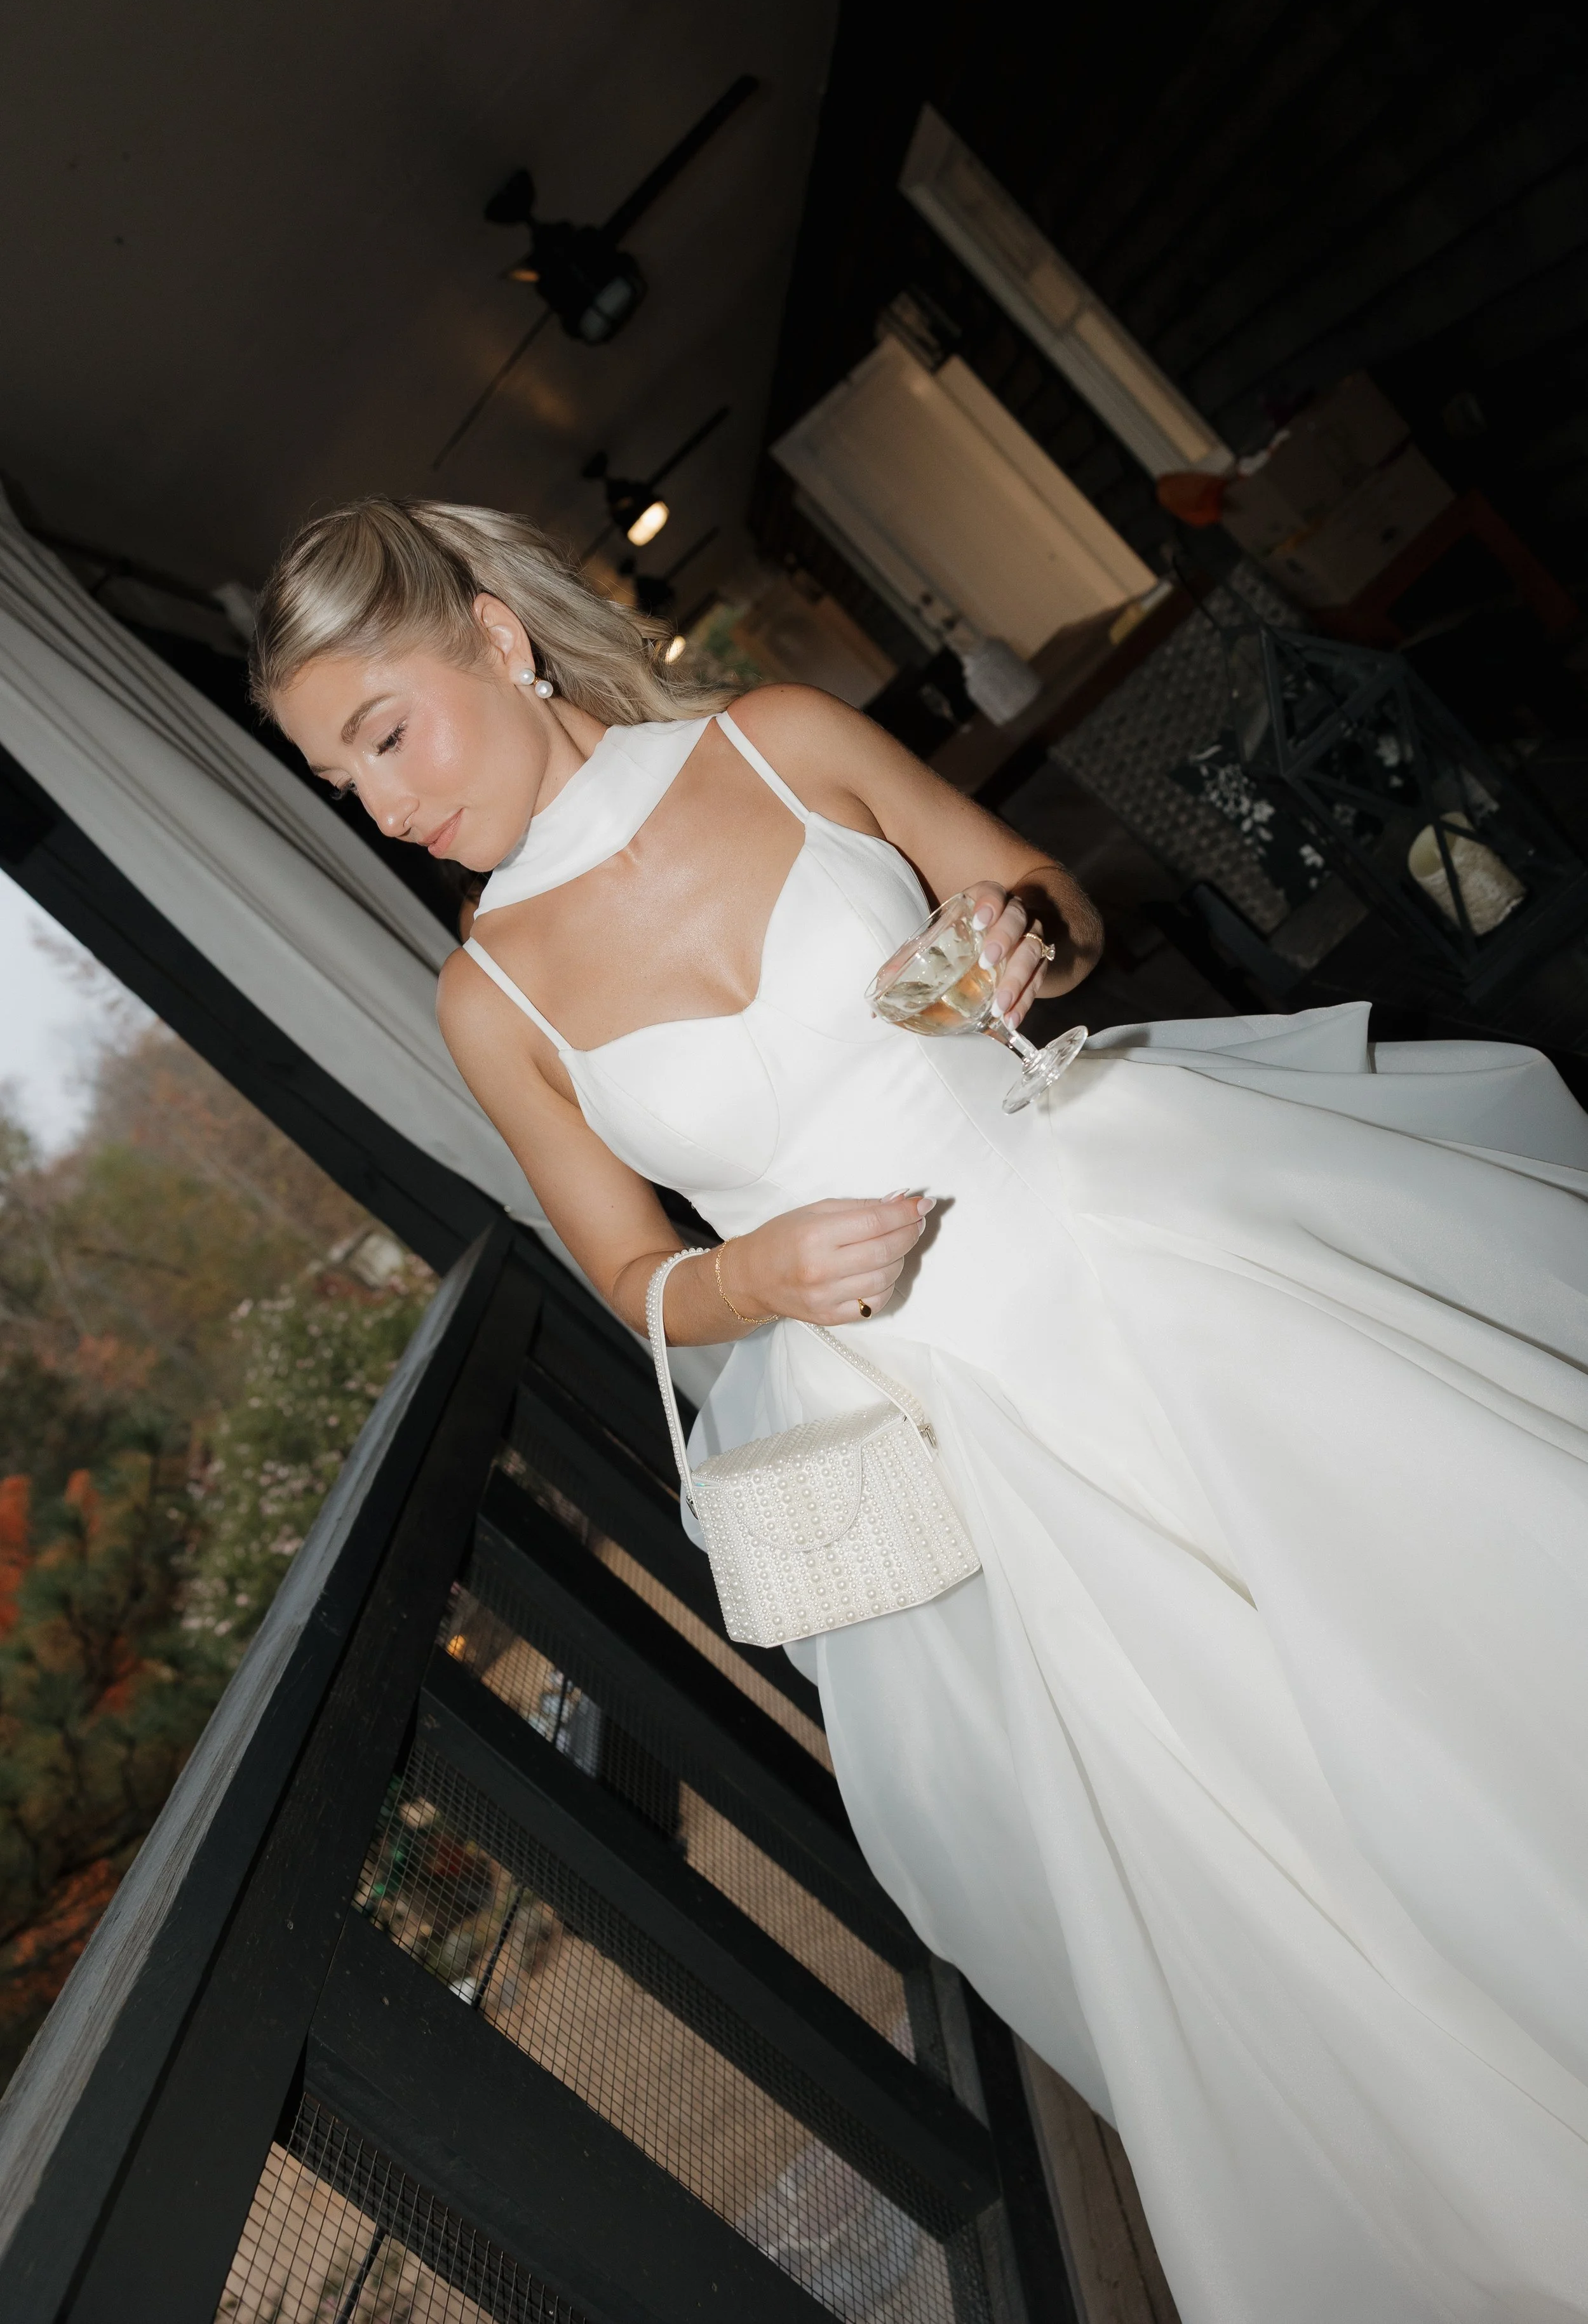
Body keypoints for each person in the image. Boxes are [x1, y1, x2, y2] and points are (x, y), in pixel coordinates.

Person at [256, 497, 1588, 2324]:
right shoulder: (485, 995)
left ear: (493, 634)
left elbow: (1047, 901)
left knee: (1445, 1609)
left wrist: (1018, 936)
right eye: (338, 781)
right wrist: (761, 1273)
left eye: (382, 732)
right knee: (1240, 1801)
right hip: (936, 1408)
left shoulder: (779, 741)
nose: (384, 807)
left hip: (1142, 1246)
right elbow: (635, 1278)